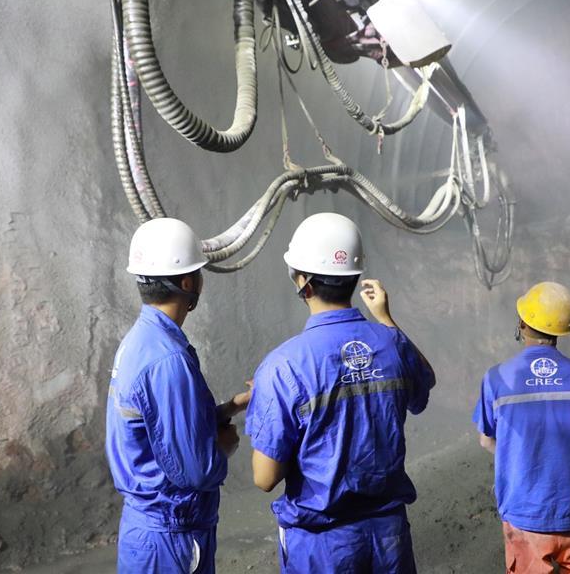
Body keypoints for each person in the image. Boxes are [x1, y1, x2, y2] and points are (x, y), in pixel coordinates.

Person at [245, 212, 436, 574]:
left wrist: (278, 411)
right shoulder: (391, 343)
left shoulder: (283, 366)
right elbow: (421, 388)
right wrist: (385, 319)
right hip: (389, 538)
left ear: (303, 282)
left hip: (323, 545)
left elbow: (265, 478)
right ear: (354, 276)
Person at [105, 218, 251, 574]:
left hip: (151, 532)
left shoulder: (142, 342)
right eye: (199, 273)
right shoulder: (167, 361)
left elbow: (160, 428)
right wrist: (223, 447)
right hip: (170, 539)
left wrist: (230, 407)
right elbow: (197, 472)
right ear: (188, 282)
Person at [474, 281, 570, 574]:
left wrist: (517, 460)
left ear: (522, 323)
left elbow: (486, 441)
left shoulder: (496, 379)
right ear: (563, 329)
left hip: (524, 515)